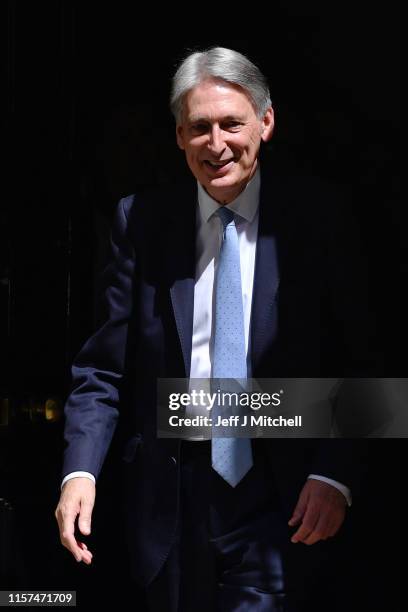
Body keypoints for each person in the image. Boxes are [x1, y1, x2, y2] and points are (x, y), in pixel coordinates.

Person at [55, 47, 376, 611]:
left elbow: (368, 362)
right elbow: (103, 367)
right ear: (179, 136)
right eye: (199, 127)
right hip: (169, 505)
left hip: (282, 500)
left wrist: (334, 473)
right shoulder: (143, 222)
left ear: (266, 123)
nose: (217, 143)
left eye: (232, 123)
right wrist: (80, 470)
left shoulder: (318, 220)